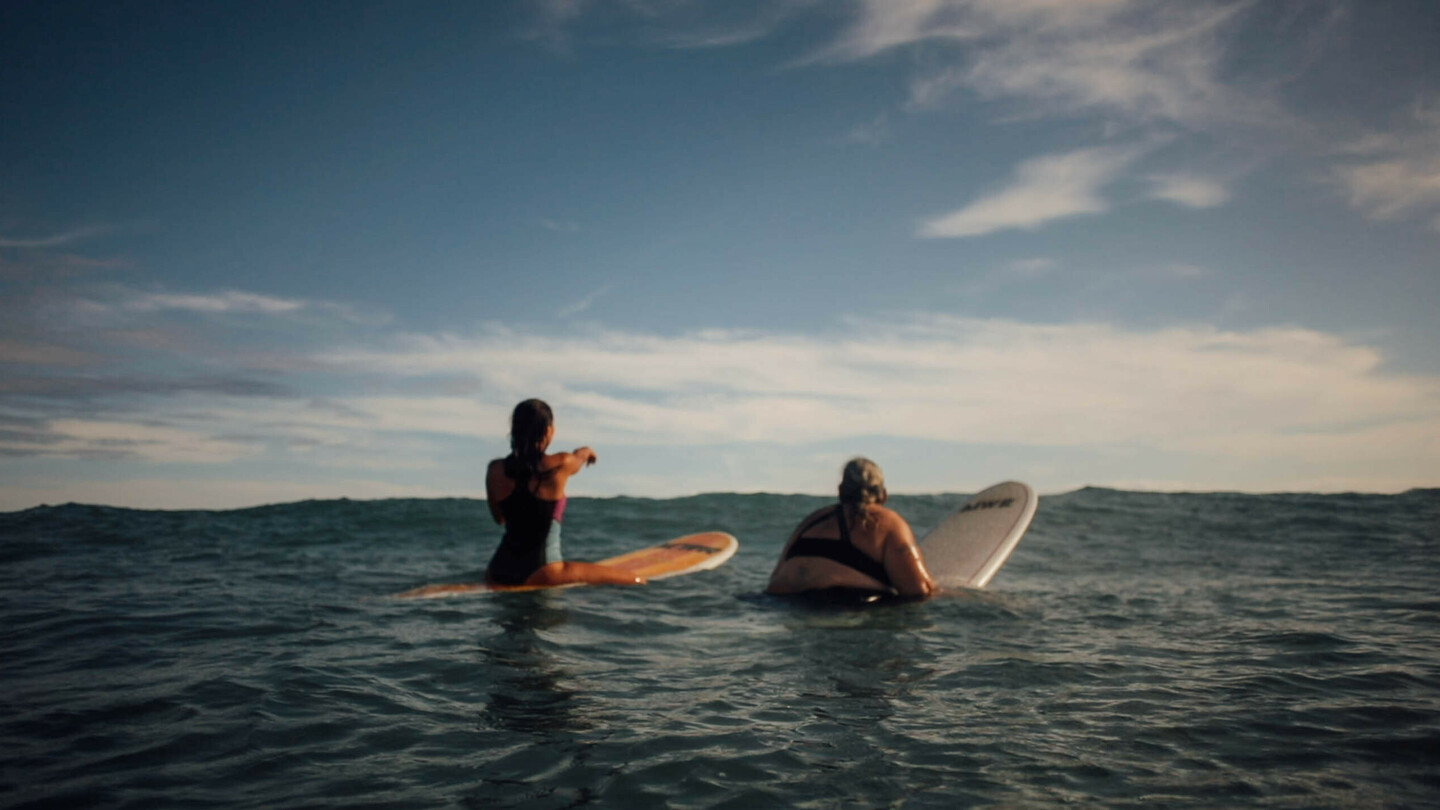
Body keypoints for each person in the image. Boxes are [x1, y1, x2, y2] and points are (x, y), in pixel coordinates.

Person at [485, 399, 644, 587]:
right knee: (638, 580)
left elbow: (499, 519)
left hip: (498, 570)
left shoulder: (495, 469)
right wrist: (587, 451)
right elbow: (578, 458)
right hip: (544, 571)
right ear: (548, 431)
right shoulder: (561, 464)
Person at [766, 457, 935, 599]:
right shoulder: (889, 522)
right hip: (843, 609)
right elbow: (918, 590)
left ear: (840, 491)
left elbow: (775, 577)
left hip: (779, 603)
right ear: (883, 495)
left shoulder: (810, 521)